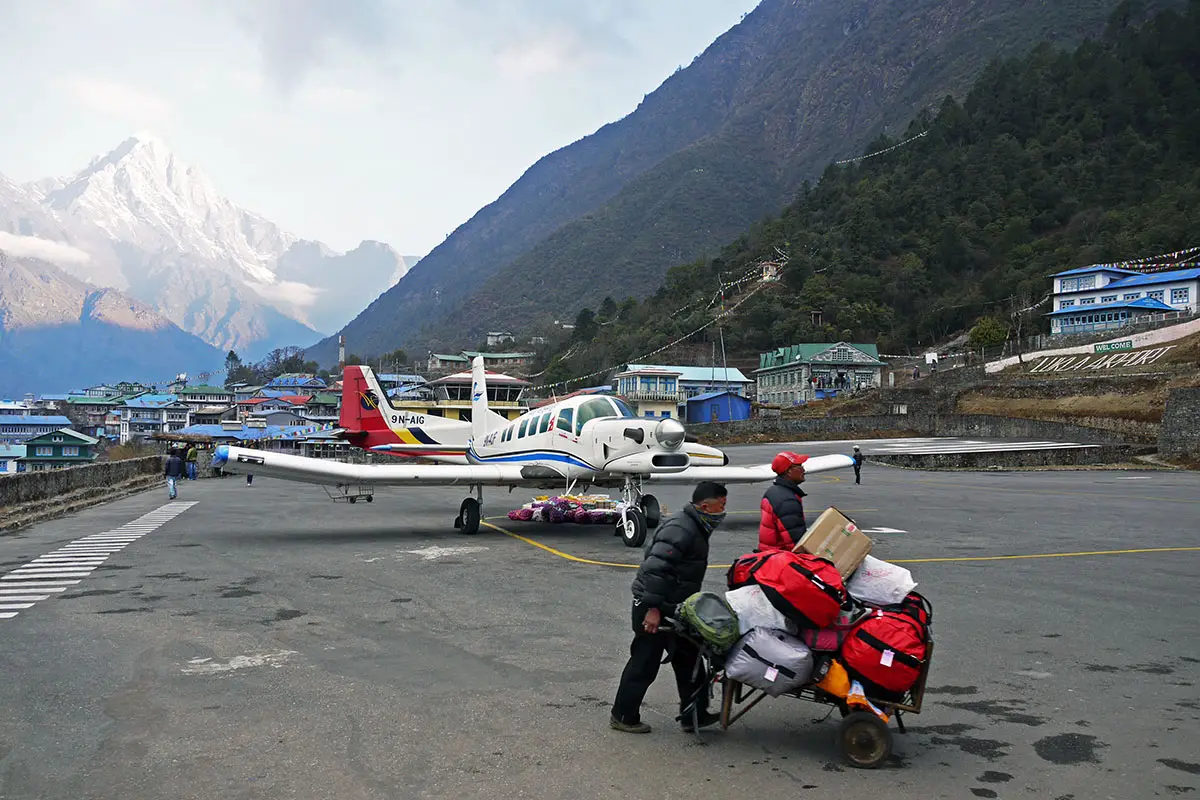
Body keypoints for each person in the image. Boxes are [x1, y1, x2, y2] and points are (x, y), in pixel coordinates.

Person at [610, 481, 729, 734]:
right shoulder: (681, 528)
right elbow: (656, 570)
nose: (723, 511)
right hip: (654, 608)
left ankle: (693, 715)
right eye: (721, 505)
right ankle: (623, 716)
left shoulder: (696, 526)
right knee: (645, 662)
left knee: (690, 659)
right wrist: (653, 610)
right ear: (705, 506)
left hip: (677, 607)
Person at [757, 451, 808, 552]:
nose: (804, 470)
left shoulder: (773, 491)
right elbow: (795, 543)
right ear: (788, 471)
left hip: (769, 554)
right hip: (781, 557)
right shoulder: (787, 501)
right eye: (799, 466)